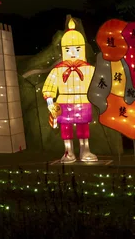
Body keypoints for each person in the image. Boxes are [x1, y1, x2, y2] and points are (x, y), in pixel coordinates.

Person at [42, 18, 97, 163]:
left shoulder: (89, 69)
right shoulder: (58, 70)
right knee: (65, 128)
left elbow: (98, 85)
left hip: (83, 101)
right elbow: (49, 87)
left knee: (83, 127)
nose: (73, 53)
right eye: (68, 50)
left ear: (82, 49)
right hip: (64, 102)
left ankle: (85, 151)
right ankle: (68, 151)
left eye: (77, 49)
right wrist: (50, 103)